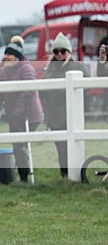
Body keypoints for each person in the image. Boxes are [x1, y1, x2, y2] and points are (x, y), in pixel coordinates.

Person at [0, 43, 44, 183]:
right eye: (5, 53)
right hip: (13, 115)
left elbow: (27, 92)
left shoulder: (27, 69)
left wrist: (18, 112)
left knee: (20, 146)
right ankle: (20, 175)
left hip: (30, 115)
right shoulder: (2, 72)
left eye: (9, 54)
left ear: (17, 57)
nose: (6, 57)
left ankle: (24, 177)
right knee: (17, 145)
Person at [40, 33, 89, 178]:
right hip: (55, 116)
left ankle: (76, 175)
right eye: (56, 51)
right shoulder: (49, 68)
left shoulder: (77, 67)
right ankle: (65, 176)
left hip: (71, 115)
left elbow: (87, 88)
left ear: (69, 51)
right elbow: (42, 91)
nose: (59, 54)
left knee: (72, 147)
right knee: (60, 148)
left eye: (63, 51)